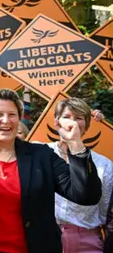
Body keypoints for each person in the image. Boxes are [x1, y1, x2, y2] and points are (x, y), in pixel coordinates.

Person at [0, 89, 102, 253]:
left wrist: (75, 144)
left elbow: (86, 195)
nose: (6, 120)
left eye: (12, 115)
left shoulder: (42, 155)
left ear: (19, 118)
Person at [47, 98, 112, 253]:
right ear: (56, 122)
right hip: (44, 238)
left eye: (79, 118)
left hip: (87, 241)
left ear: (87, 125)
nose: (73, 123)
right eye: (67, 117)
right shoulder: (39, 152)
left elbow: (104, 210)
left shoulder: (104, 165)